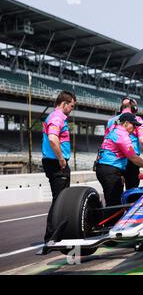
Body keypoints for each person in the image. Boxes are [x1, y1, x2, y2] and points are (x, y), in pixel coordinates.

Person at [96, 113, 143, 207]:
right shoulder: (122, 135)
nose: (135, 128)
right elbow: (134, 158)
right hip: (110, 170)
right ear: (126, 123)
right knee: (114, 205)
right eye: (134, 125)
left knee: (113, 202)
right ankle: (111, 222)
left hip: (104, 168)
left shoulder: (114, 131)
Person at [41, 90, 76, 243]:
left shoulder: (56, 117)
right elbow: (53, 138)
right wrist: (61, 159)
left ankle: (57, 234)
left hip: (55, 162)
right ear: (64, 104)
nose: (72, 109)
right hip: (56, 163)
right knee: (60, 200)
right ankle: (52, 236)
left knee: (61, 199)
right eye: (72, 106)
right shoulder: (57, 117)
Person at [105, 97, 143, 190]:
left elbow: (106, 141)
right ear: (134, 108)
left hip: (115, 161)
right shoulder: (137, 119)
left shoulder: (111, 121)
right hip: (132, 159)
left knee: (116, 192)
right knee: (132, 191)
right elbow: (142, 140)